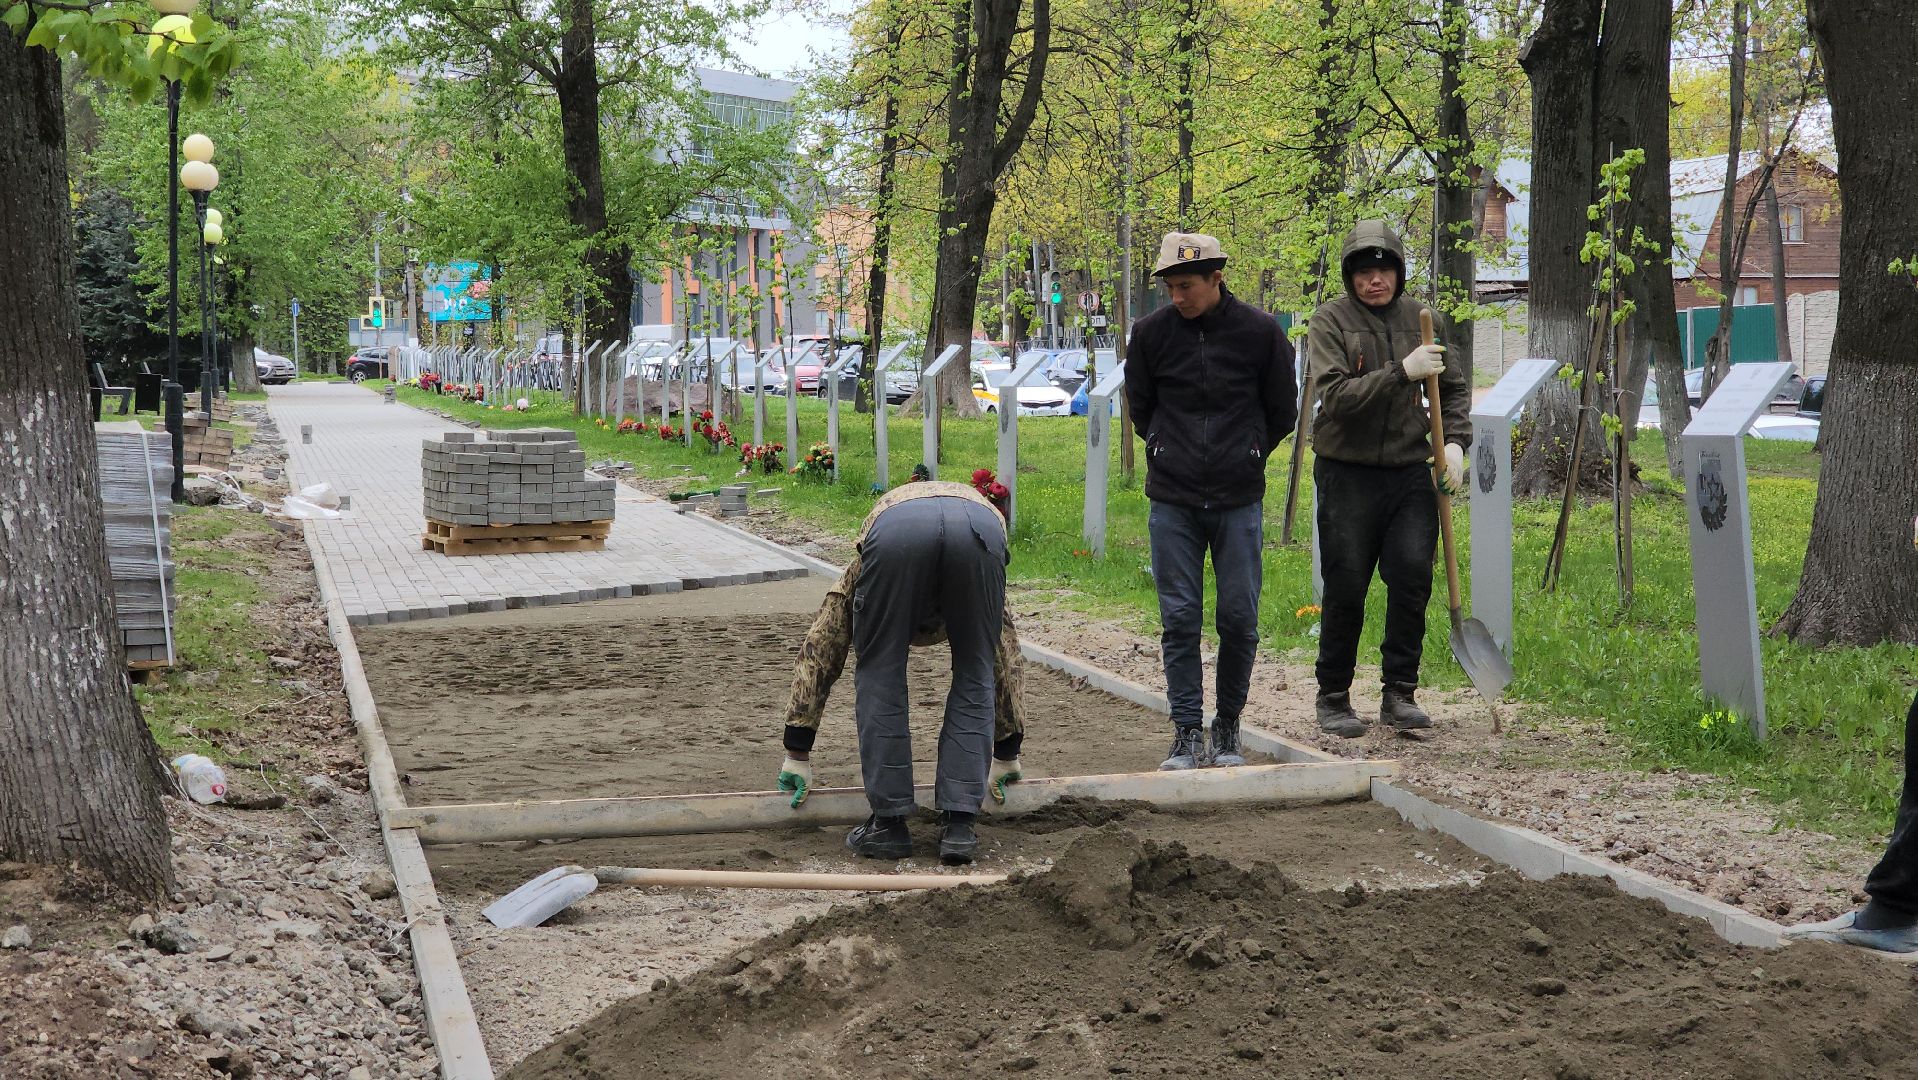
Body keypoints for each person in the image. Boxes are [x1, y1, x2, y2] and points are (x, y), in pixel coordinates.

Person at [775, 469, 1025, 865]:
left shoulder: (868, 561)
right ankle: (960, 826)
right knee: (975, 668)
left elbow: (823, 646)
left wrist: (797, 750)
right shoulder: (978, 519)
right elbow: (1003, 657)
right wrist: (1007, 751)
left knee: (880, 669)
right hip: (981, 532)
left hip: (896, 535)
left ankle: (888, 827)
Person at [1125, 232, 1297, 771]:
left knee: (1238, 616)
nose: (1177, 297)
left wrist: (1248, 451)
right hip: (1172, 497)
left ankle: (1227, 727)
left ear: (1216, 278)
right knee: (1179, 617)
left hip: (1237, 497)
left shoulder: (1261, 333)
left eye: (1187, 286)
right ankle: (1185, 731)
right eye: (1170, 287)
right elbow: (1142, 403)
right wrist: (1163, 445)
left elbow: (1281, 410)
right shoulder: (1150, 334)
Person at [1304, 219, 1469, 739]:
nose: (1374, 280)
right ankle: (1333, 696)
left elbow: (1456, 390)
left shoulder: (1424, 320)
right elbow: (1337, 398)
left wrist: (1456, 446)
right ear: (1350, 275)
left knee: (1412, 579)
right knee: (1347, 584)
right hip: (1346, 473)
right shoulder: (1328, 322)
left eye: (1383, 269)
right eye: (1363, 271)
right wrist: (1402, 370)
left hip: (1408, 472)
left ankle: (1400, 692)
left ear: (1397, 271)